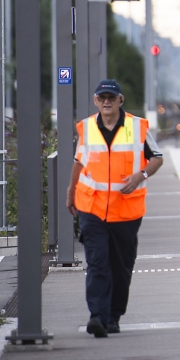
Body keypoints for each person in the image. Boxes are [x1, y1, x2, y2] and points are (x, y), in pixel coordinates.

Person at [66, 80, 163, 338]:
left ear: (121, 100)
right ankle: (97, 316)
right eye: (102, 97)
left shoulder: (137, 127)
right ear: (96, 101)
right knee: (97, 262)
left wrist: (140, 175)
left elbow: (157, 157)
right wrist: (71, 191)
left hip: (126, 211)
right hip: (92, 208)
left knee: (120, 265)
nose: (106, 102)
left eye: (111, 97)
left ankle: (114, 315)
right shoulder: (87, 128)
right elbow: (78, 162)